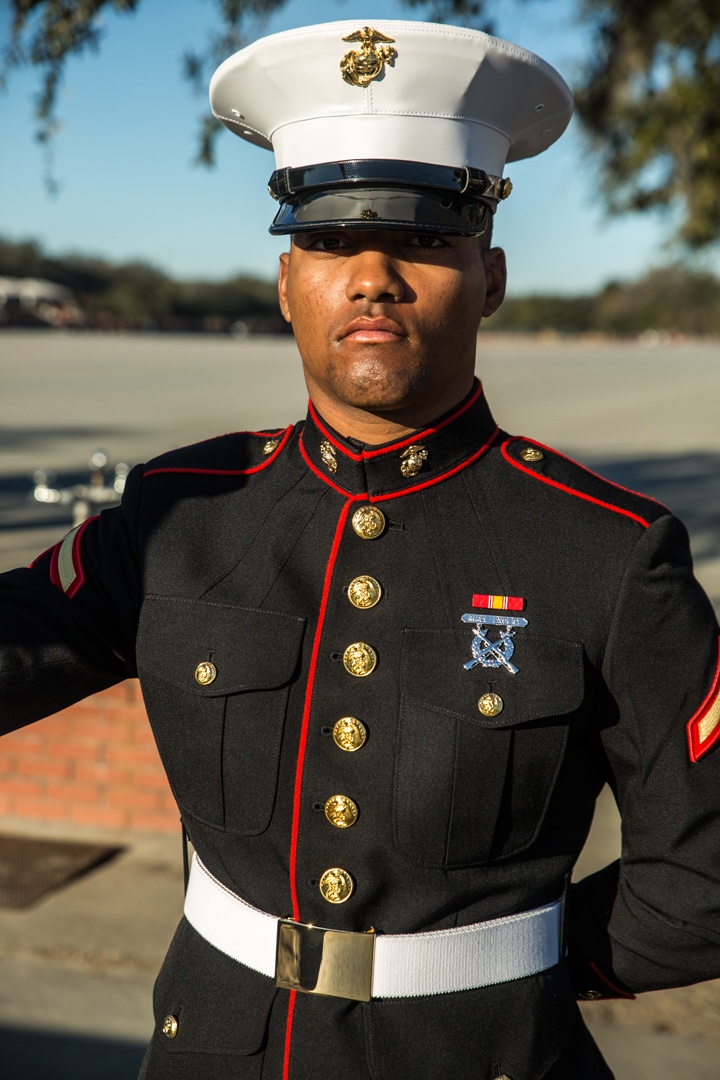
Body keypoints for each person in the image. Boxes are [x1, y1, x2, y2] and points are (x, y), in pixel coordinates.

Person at [2, 19, 720, 1080]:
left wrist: (516, 968)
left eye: (429, 239)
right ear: (288, 282)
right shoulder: (177, 515)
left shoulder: (605, 555)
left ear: (493, 278)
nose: (374, 275)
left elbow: (702, 878)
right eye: (332, 241)